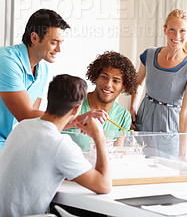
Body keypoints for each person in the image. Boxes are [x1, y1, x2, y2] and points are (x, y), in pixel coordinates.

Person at [0, 74, 111, 217]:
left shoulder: (23, 126)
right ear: (77, 109)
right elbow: (104, 185)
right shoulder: (60, 145)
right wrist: (99, 137)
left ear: (49, 99)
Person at [130, 9, 187, 162]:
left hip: (169, 125)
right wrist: (133, 107)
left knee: (166, 169)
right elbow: (138, 83)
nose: (176, 36)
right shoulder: (149, 55)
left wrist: (183, 153)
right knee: (138, 164)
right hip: (144, 116)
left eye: (182, 31)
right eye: (172, 30)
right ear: (165, 29)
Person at [0, 8, 70, 151]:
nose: (59, 49)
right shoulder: (6, 60)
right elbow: (26, 114)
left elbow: (33, 118)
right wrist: (73, 119)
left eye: (61, 42)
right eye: (54, 42)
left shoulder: (42, 68)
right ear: (34, 38)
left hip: (12, 143)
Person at [66, 51, 138, 150]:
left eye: (116, 81)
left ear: (124, 87)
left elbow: (118, 151)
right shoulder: (73, 103)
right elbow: (49, 128)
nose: (108, 84)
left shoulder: (123, 116)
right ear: (96, 77)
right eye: (104, 77)